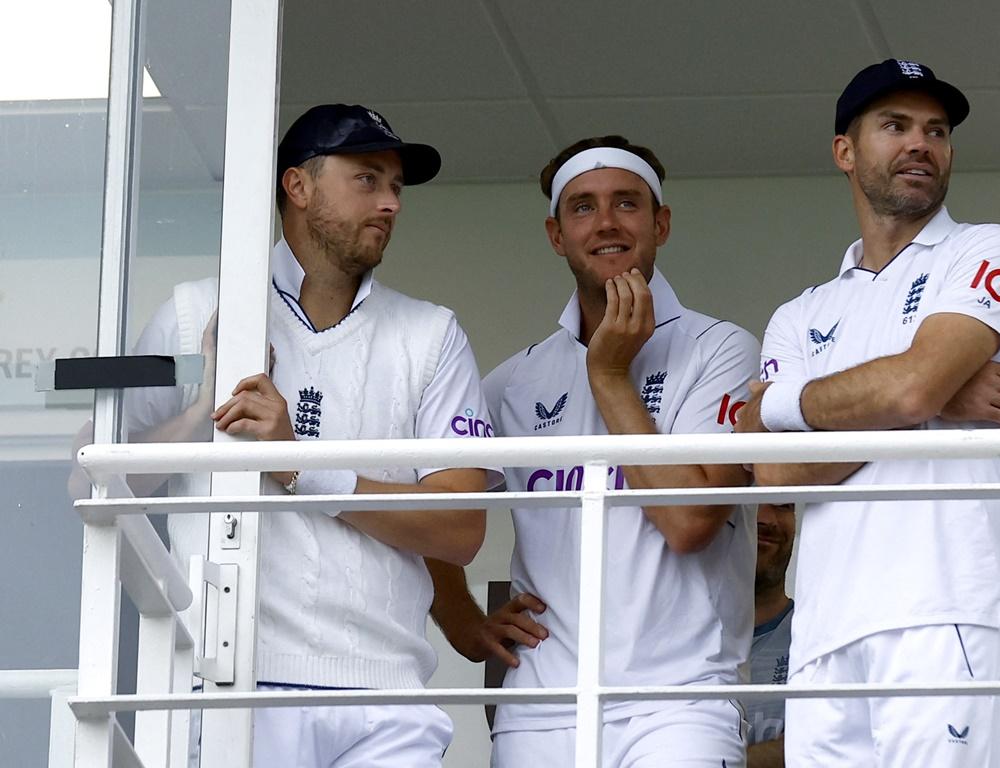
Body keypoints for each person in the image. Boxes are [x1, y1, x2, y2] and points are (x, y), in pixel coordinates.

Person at [121, 104, 497, 767]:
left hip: (387, 696)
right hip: (230, 682)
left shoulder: (430, 333)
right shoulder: (194, 311)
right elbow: (99, 477)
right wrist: (203, 411)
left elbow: (461, 526)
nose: (390, 203)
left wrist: (301, 466)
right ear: (298, 187)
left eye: (396, 187)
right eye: (368, 179)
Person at [735, 60, 1000, 767]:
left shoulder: (990, 249)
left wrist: (783, 405)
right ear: (845, 151)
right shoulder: (801, 313)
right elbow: (776, 471)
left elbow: (911, 386)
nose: (921, 144)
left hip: (945, 608)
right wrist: (933, 399)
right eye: (895, 126)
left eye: (936, 131)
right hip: (825, 633)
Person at [428, 135, 760, 767]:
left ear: (660, 223)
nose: (606, 222)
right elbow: (435, 505)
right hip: (541, 709)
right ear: (556, 234)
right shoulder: (513, 382)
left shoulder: (720, 349)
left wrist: (609, 377)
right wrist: (461, 618)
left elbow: (690, 522)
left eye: (627, 203)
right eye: (583, 207)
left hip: (680, 700)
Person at [743, 501, 795, 768]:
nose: (767, 518)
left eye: (784, 505)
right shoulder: (672, 641)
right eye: (750, 503)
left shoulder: (817, 634)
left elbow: (822, 746)